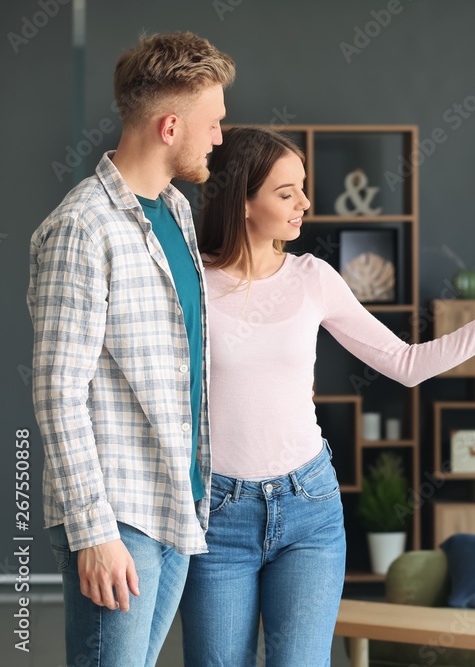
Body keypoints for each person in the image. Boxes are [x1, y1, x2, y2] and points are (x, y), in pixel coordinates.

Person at [179, 125, 475, 666]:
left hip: (307, 505)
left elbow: (405, 363)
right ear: (242, 201)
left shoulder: (313, 279)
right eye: (286, 193)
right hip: (217, 513)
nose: (305, 203)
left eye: (303, 187)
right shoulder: (188, 281)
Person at [26, 32, 234, 665]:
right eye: (214, 123)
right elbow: (57, 392)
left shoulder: (176, 210)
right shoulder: (81, 227)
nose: (220, 138)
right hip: (117, 516)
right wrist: (93, 530)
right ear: (171, 126)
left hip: (176, 499)